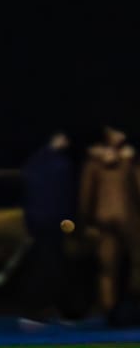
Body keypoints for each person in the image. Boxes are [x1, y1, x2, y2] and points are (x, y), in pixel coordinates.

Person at [79, 125, 140, 324]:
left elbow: (86, 194)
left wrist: (86, 220)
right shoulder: (128, 161)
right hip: (128, 217)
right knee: (136, 260)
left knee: (107, 267)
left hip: (103, 218)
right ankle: (132, 301)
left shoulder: (93, 163)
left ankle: (109, 309)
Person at [18, 130, 74, 325]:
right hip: (51, 221)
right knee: (49, 265)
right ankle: (38, 310)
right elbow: (62, 196)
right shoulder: (57, 164)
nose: (67, 141)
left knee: (46, 264)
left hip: (40, 221)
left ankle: (44, 308)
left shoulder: (34, 162)